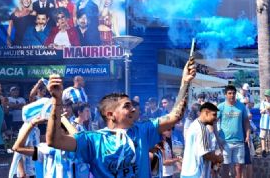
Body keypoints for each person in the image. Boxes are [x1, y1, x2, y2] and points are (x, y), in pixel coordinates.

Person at [46, 58, 196, 177]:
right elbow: (54, 141)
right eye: (126, 106)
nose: (133, 109)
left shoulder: (143, 130)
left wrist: (185, 82)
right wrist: (56, 101)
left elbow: (175, 116)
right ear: (110, 114)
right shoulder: (93, 139)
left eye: (132, 105)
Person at [181, 102, 223, 178]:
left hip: (188, 172)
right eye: (214, 115)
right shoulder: (202, 129)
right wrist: (218, 158)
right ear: (206, 113)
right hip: (196, 173)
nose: (216, 118)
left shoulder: (194, 124)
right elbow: (206, 155)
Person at [217, 85, 250, 178]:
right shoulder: (221, 107)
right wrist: (217, 137)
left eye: (233, 93)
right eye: (229, 93)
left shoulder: (241, 106)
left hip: (239, 141)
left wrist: (247, 136)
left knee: (239, 168)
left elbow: (246, 122)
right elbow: (214, 122)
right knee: (225, 167)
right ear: (225, 95)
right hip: (225, 142)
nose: (232, 95)